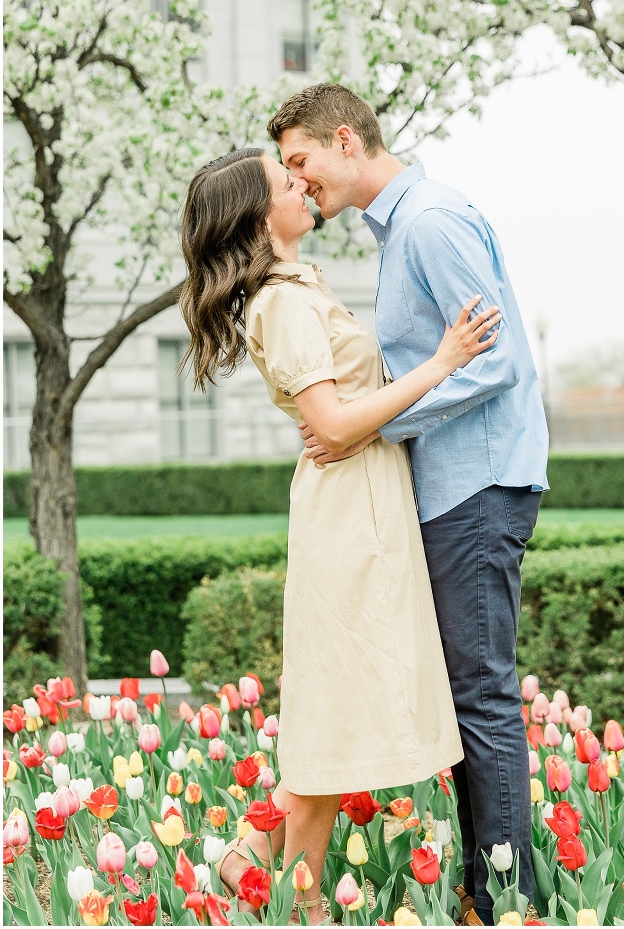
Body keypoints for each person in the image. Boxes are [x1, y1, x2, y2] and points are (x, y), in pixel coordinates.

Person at [178, 146, 502, 923]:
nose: (301, 184)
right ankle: (300, 898)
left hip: (363, 504)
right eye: (284, 179)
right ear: (258, 215)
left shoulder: (297, 288)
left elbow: (338, 416)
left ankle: (269, 869)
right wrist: (443, 363)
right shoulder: (283, 302)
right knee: (333, 711)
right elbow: (330, 424)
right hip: (348, 519)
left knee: (340, 709)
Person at [268, 84, 549, 926]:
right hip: (451, 486)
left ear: (344, 140)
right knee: (468, 699)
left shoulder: (427, 222)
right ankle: (483, 891)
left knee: (481, 698)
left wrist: (374, 429)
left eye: (300, 161)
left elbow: (496, 361)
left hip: (477, 483)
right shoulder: (397, 232)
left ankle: (505, 903)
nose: (299, 180)